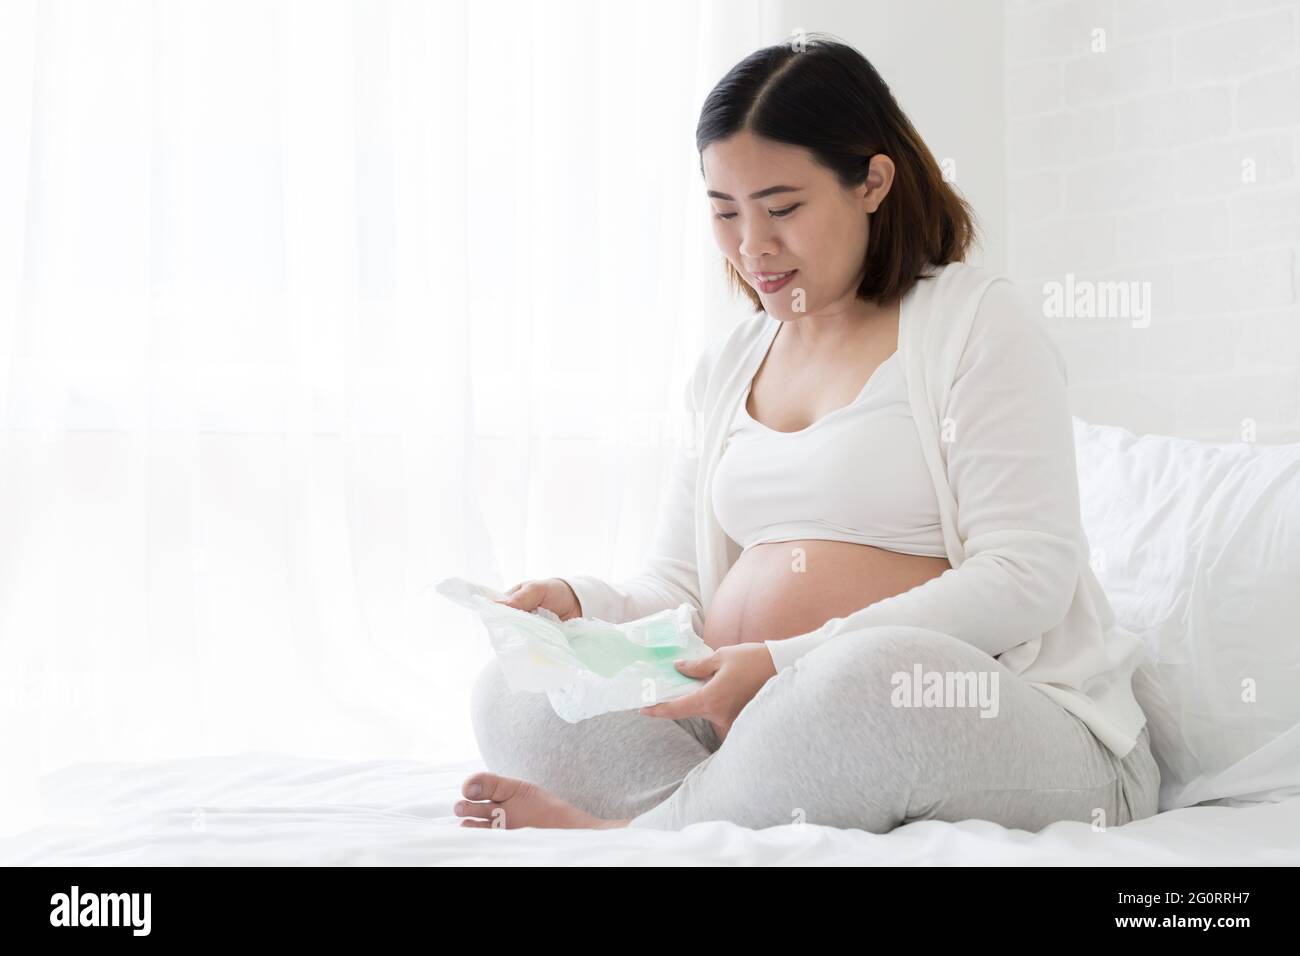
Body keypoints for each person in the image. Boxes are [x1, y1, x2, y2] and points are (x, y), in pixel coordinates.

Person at [459, 33, 1159, 832]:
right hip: (757, 721)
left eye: (782, 208)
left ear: (872, 181)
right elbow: (679, 590)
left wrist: (786, 663)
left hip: (986, 718)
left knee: (866, 678)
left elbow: (1027, 574)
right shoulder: (730, 363)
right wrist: (581, 604)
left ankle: (635, 836)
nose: (752, 245)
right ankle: (699, 817)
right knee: (515, 688)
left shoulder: (974, 324)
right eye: (724, 212)